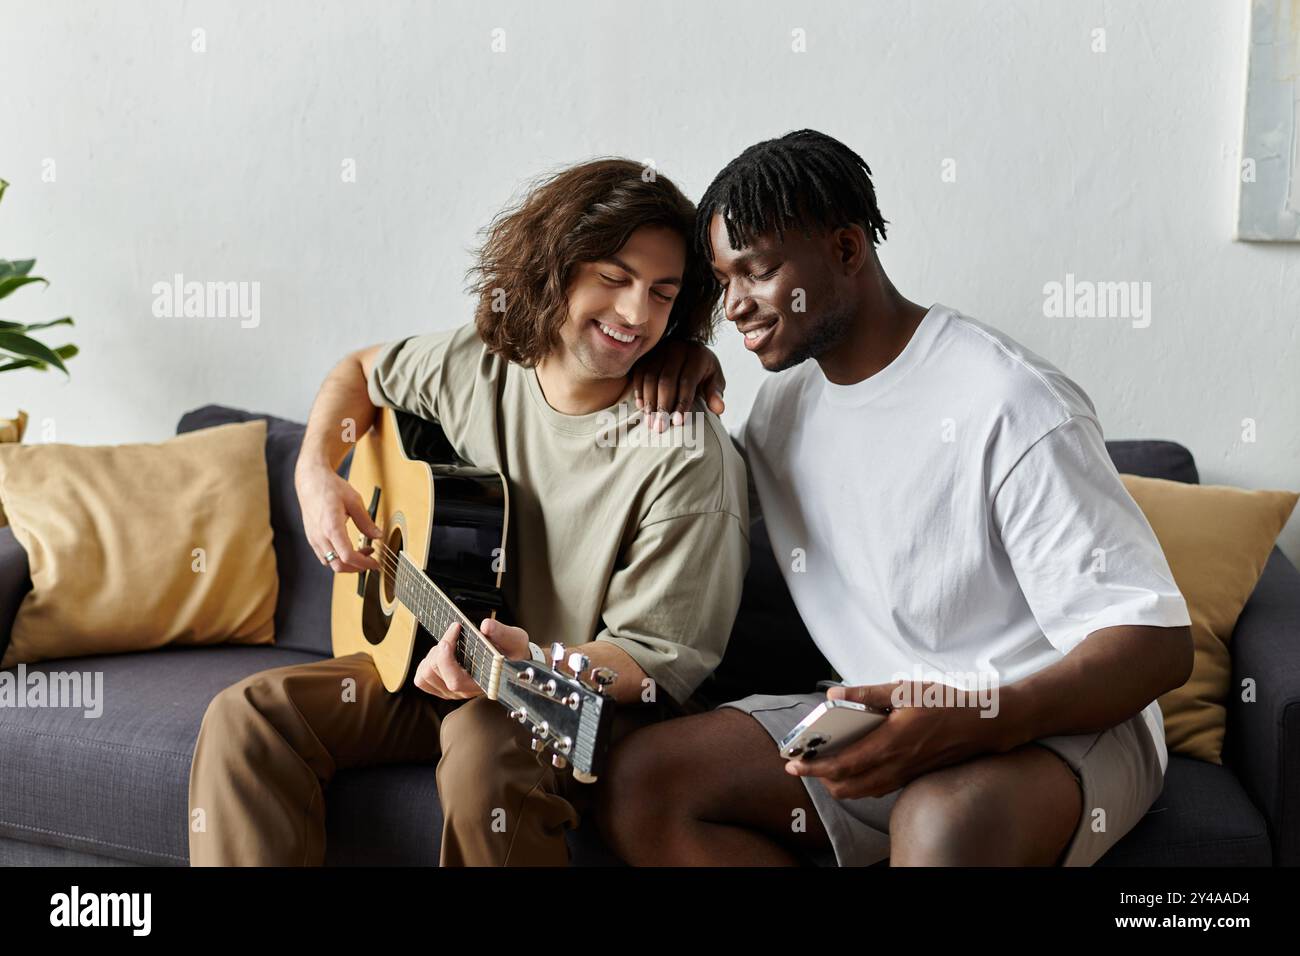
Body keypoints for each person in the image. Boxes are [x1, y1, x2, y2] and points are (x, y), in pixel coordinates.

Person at [604, 129, 1194, 866]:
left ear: (848, 252)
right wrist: (677, 362)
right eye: (724, 282)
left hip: (1062, 720)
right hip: (891, 716)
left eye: (756, 272)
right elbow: (691, 520)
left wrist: (972, 719)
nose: (737, 307)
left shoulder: (1011, 403)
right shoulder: (783, 411)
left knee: (942, 823)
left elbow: (1158, 647)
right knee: (642, 782)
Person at [188, 158, 749, 866]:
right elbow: (361, 371)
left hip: (581, 707)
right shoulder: (482, 363)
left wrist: (530, 662)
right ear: (555, 269)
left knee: (484, 741)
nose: (637, 314)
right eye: (613, 278)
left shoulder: (685, 455)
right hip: (447, 660)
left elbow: (651, 664)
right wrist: (314, 474)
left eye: (662, 293)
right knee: (249, 719)